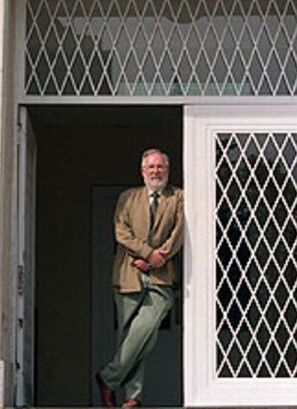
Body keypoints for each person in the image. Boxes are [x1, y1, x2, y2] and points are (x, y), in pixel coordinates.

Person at [96, 148, 184, 408]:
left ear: (168, 170)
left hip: (161, 275)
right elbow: (120, 232)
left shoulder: (177, 197)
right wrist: (146, 253)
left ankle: (107, 378)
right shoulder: (128, 197)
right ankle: (133, 397)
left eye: (161, 167)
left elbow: (178, 233)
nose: (156, 171)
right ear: (142, 171)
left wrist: (160, 257)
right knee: (131, 337)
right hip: (129, 274)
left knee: (144, 331)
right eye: (151, 167)